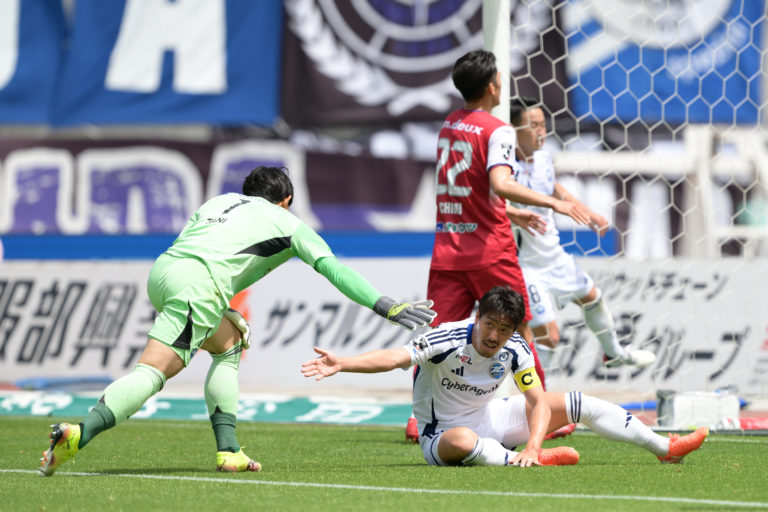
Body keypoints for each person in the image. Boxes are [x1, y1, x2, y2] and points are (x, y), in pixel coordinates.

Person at [39, 166, 437, 476]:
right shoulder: (288, 223)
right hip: (197, 287)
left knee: (229, 342)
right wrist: (386, 305)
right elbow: (336, 271)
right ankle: (80, 433)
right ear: (286, 200)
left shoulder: (219, 202)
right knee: (154, 371)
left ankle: (229, 450)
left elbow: (204, 250)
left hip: (163, 273)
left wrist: (213, 302)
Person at [405, 49, 592, 442]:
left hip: (448, 250)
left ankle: (416, 419)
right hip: (490, 249)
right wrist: (554, 202)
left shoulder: (449, 125)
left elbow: (472, 188)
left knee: (434, 339)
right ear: (492, 86)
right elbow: (500, 184)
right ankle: (542, 414)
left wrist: (512, 213)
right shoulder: (499, 130)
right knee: (521, 329)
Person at [303, 286, 708, 467]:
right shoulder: (446, 337)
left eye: (505, 329)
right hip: (441, 434)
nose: (494, 336)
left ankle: (664, 448)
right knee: (463, 440)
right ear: (477, 317)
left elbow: (536, 402)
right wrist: (344, 363)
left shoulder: (515, 348)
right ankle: (522, 461)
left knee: (576, 402)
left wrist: (534, 443)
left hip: (491, 418)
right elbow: (396, 357)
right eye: (490, 325)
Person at [505, 96, 656, 370]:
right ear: (513, 130)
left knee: (593, 297)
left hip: (553, 255)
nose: (541, 132)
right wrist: (514, 214)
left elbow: (553, 188)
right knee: (548, 337)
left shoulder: (543, 159)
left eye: (543, 125)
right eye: (534, 126)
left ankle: (614, 353)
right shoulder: (503, 169)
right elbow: (488, 204)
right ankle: (537, 393)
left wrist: (588, 212)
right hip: (525, 266)